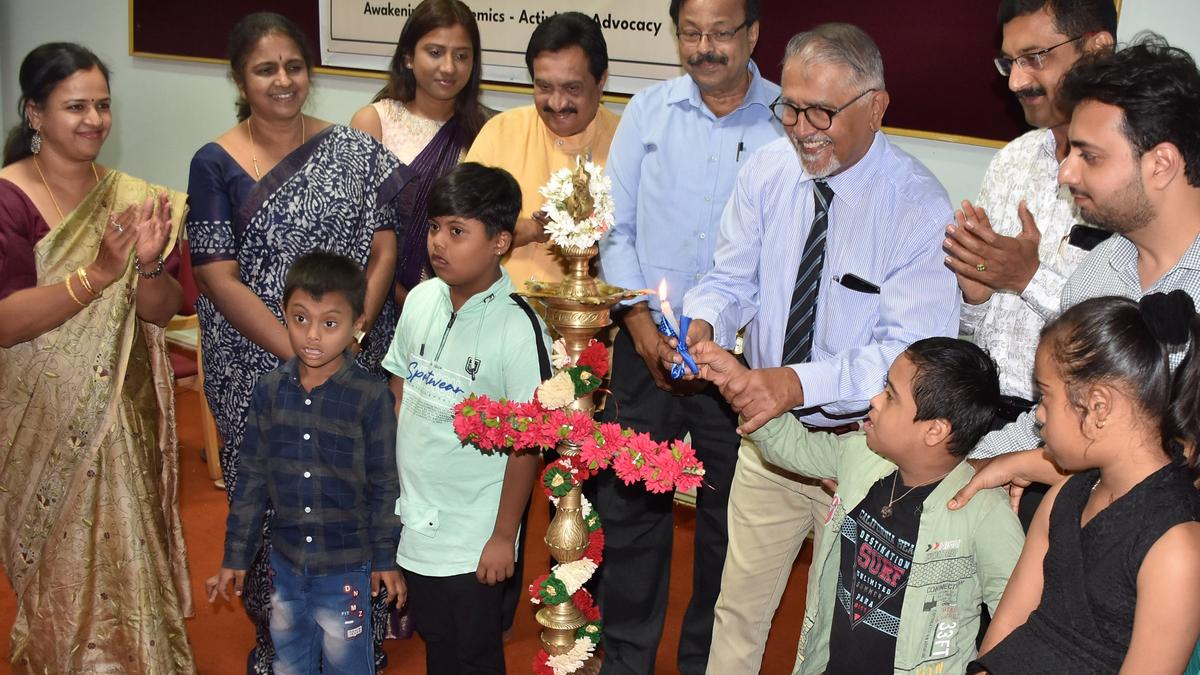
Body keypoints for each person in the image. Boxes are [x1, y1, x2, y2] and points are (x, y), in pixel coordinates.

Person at [679, 24, 960, 673]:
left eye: (822, 112)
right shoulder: (767, 171)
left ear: (876, 106)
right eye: (790, 107)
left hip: (866, 454)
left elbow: (906, 356)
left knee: (831, 635)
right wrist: (704, 325)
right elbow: (731, 278)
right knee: (738, 612)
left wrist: (793, 381)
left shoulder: (918, 207)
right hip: (770, 439)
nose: (802, 128)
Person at [186, 12, 410, 672]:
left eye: (293, 66)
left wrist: (349, 338)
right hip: (256, 368)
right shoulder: (215, 162)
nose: (283, 81)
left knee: (357, 489)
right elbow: (215, 272)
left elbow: (385, 242)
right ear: (239, 78)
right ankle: (278, 640)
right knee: (272, 499)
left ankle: (353, 640)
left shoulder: (353, 149)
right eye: (265, 69)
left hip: (352, 354)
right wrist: (304, 352)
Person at [591, 0, 781, 669]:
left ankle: (704, 661)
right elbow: (616, 229)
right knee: (632, 511)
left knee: (728, 525)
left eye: (720, 33)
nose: (704, 47)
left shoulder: (787, 122)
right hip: (646, 347)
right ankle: (626, 658)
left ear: (753, 33)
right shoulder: (648, 112)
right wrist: (639, 323)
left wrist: (727, 347)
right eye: (691, 33)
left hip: (740, 362)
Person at [0, 43, 195, 672]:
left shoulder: (134, 199)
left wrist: (146, 265)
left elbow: (161, 311)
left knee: (130, 552)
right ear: (35, 113)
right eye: (74, 106)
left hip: (124, 409)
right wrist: (99, 272)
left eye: (103, 105)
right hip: (42, 414)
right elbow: (4, 324)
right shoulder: (8, 198)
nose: (93, 120)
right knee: (60, 565)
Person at [950, 36, 1200, 492]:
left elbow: (1180, 458)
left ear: (1161, 164)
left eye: (1089, 156)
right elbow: (1053, 418)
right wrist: (961, 471)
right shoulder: (1096, 275)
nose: (1065, 173)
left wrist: (1028, 465)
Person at [690, 337, 1023, 674]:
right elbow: (792, 447)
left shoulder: (985, 514)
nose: (874, 400)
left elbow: (1020, 620)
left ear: (934, 430)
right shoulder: (861, 456)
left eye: (890, 396)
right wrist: (741, 386)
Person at [942, 0, 1115, 527]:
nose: (1017, 80)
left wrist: (1029, 277)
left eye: (1035, 57)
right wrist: (974, 295)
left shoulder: (1132, 171)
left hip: (1074, 437)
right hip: (987, 413)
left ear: (1097, 47)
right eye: (1009, 62)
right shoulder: (1013, 160)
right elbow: (982, 326)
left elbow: (1125, 327)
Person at [969, 293, 1200, 673]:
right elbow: (1006, 631)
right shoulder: (1067, 494)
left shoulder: (1175, 546)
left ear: (1098, 407)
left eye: (1044, 396)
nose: (1038, 416)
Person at [382, 162, 552, 674]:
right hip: (416, 516)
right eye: (435, 227)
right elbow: (398, 385)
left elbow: (527, 442)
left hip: (475, 532)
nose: (439, 243)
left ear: (500, 242)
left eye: (457, 231)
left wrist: (503, 537)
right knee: (436, 639)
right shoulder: (421, 300)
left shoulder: (519, 326)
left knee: (474, 653)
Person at [208, 252, 404, 675]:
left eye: (329, 323)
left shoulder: (370, 397)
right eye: (300, 319)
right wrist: (235, 555)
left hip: (347, 567)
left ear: (357, 326)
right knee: (289, 662)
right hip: (287, 564)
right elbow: (252, 479)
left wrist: (385, 559)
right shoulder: (269, 391)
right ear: (284, 315)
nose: (312, 335)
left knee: (346, 665)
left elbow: (385, 484)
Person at [351, 0, 489, 309]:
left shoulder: (486, 132)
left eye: (462, 56)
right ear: (409, 57)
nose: (449, 67)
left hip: (455, 305)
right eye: (435, 52)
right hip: (377, 303)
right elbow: (357, 234)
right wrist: (409, 300)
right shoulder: (374, 122)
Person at [465, 11, 619, 286]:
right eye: (544, 87)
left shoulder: (626, 142)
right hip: (498, 315)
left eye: (572, 88)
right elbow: (460, 223)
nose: (557, 104)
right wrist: (528, 229)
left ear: (601, 81)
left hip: (590, 321)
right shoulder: (500, 132)